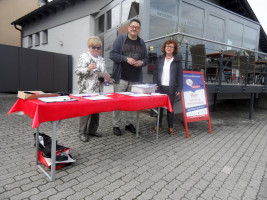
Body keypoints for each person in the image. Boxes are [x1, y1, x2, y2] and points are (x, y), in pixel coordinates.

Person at [109, 18, 148, 136]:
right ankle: (116, 125)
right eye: (132, 26)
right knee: (118, 102)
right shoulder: (121, 39)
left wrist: (142, 62)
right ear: (129, 27)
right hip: (121, 77)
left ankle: (129, 124)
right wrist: (126, 59)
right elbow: (112, 54)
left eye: (137, 27)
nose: (134, 29)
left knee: (132, 103)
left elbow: (146, 58)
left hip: (135, 78)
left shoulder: (141, 42)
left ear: (139, 30)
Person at [75, 36, 112, 142]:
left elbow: (104, 72)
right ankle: (82, 132)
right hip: (86, 90)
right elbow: (77, 71)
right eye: (93, 47)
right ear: (89, 47)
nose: (96, 50)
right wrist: (87, 69)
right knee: (86, 112)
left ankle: (92, 130)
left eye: (98, 47)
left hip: (98, 90)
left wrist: (106, 78)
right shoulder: (84, 56)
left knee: (96, 111)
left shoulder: (102, 59)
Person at [152, 39, 183, 135]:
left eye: (171, 46)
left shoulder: (177, 60)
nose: (169, 48)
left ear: (174, 49)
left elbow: (179, 75)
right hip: (160, 87)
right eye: (167, 46)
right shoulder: (160, 59)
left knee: (170, 108)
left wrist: (179, 88)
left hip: (171, 88)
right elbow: (155, 73)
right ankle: (158, 125)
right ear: (164, 48)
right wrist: (155, 85)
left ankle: (170, 127)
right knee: (159, 108)